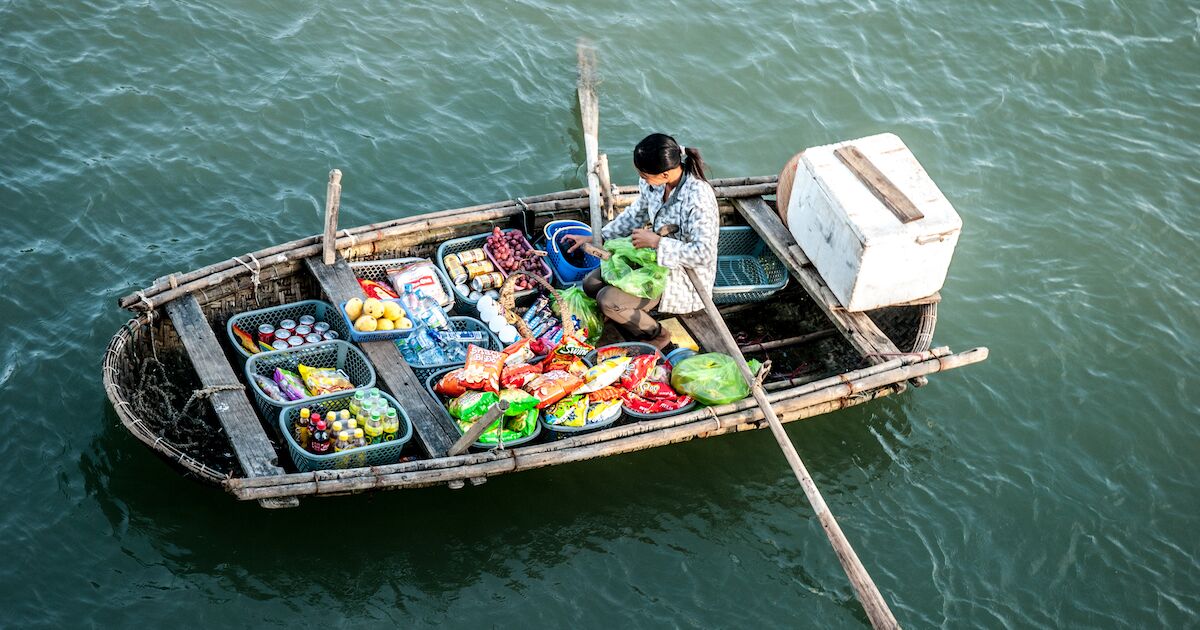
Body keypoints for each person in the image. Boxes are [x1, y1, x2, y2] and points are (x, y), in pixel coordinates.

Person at [563, 133, 719, 350]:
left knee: (608, 300)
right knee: (591, 284)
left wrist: (657, 243)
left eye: (644, 175)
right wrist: (597, 236)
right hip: (650, 261)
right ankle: (622, 312)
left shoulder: (699, 198)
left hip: (681, 277)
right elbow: (636, 214)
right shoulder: (655, 184)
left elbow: (703, 254)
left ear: (665, 174)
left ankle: (657, 334)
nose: (642, 179)